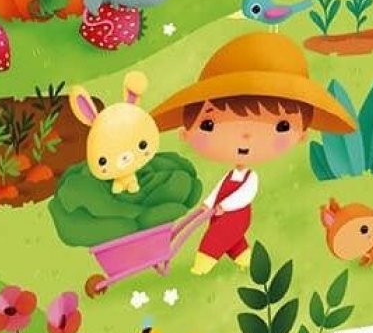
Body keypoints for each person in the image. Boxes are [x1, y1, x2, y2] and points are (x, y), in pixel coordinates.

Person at [152, 33, 355, 275]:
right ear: (187, 132)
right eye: (209, 125)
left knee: (216, 239)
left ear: (302, 134)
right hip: (220, 212)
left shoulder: (250, 178)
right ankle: (244, 258)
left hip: (235, 215)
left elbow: (245, 194)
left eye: (281, 126)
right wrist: (207, 204)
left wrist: (224, 206)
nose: (245, 137)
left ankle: (202, 264)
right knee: (235, 243)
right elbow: (219, 189)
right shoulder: (232, 175)